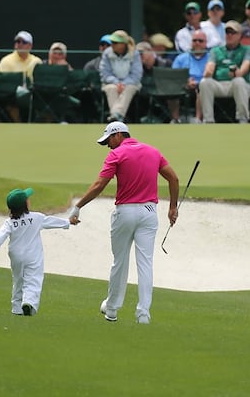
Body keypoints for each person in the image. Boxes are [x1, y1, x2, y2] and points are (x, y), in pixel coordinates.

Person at [68, 122, 179, 325]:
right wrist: (172, 207)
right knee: (145, 263)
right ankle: (143, 313)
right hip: (149, 213)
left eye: (109, 140)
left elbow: (100, 184)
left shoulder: (117, 154)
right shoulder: (153, 151)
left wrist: (78, 206)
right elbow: (173, 179)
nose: (108, 145)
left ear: (118, 135)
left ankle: (111, 310)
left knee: (120, 261)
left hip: (125, 212)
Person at [0, 188, 70, 316]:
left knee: (18, 279)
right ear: (25, 204)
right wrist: (68, 222)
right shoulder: (36, 217)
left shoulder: (10, 222)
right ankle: (29, 302)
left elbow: (1, 235)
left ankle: (16, 308)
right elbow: (51, 221)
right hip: (33, 255)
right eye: (27, 198)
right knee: (33, 278)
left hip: (16, 255)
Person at [199, 20, 250, 123]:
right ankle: (208, 120)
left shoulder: (247, 50)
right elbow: (210, 65)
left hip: (238, 85)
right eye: (227, 32)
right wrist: (208, 71)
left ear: (239, 35)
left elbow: (245, 67)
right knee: (204, 82)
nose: (229, 35)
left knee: (239, 81)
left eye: (233, 33)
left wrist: (238, 73)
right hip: (219, 84)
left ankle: (243, 118)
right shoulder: (216, 50)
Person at [0, 30, 41, 122]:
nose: (20, 44)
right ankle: (18, 123)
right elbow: (4, 82)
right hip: (12, 94)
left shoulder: (36, 60)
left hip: (33, 94)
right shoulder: (6, 60)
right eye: (18, 42)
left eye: (24, 42)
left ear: (30, 46)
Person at [99, 29, 142, 122]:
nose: (112, 45)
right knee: (111, 88)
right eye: (112, 42)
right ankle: (118, 117)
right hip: (111, 83)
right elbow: (105, 73)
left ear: (123, 44)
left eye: (115, 42)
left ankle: (116, 116)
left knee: (129, 88)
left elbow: (136, 74)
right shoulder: (107, 53)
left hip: (131, 83)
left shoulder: (134, 53)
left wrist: (123, 84)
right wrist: (117, 83)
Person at [172, 29, 209, 121]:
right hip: (183, 85)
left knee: (202, 87)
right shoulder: (181, 58)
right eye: (194, 40)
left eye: (200, 41)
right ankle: (175, 119)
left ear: (205, 43)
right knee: (171, 88)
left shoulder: (211, 57)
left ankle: (198, 119)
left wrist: (197, 83)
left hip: (202, 85)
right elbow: (173, 75)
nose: (197, 43)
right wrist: (186, 81)